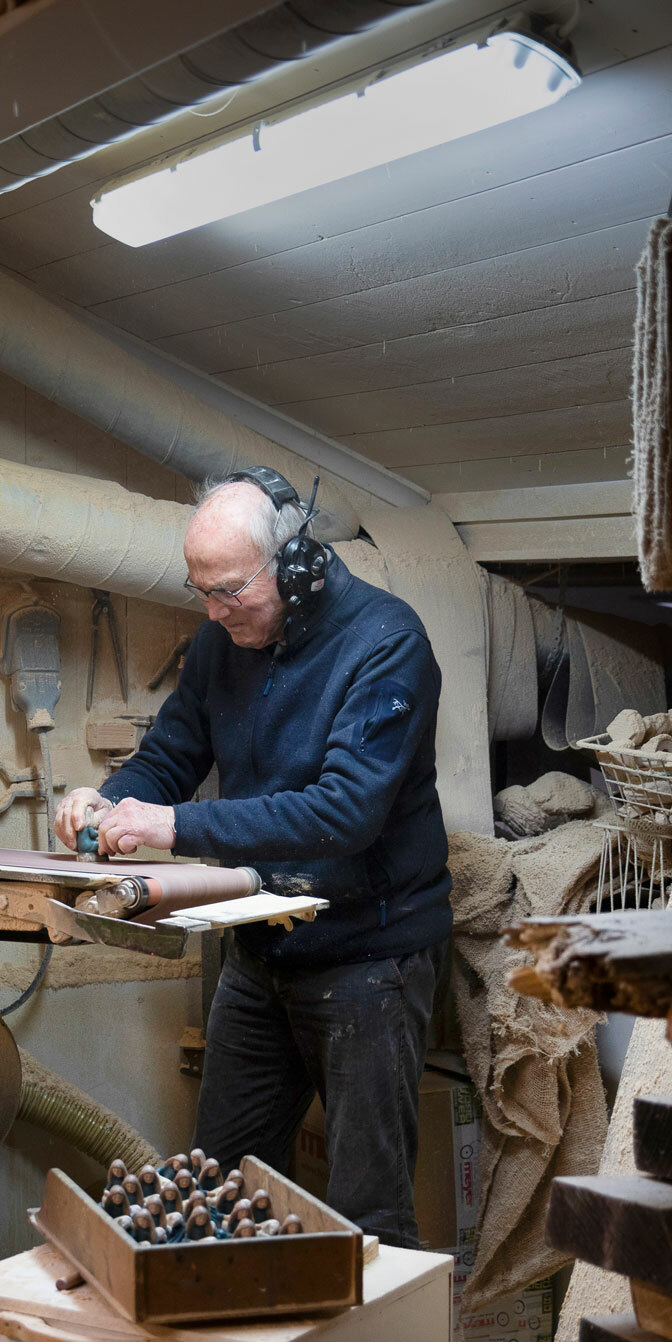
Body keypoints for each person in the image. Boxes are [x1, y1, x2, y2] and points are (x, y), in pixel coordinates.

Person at [54, 471, 450, 1248]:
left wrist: (170, 825)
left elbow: (345, 814)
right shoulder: (219, 640)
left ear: (297, 565)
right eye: (201, 592)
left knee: (369, 1217)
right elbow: (169, 756)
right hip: (263, 949)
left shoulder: (386, 644)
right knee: (219, 1192)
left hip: (367, 957)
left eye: (229, 592)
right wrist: (107, 801)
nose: (212, 613)